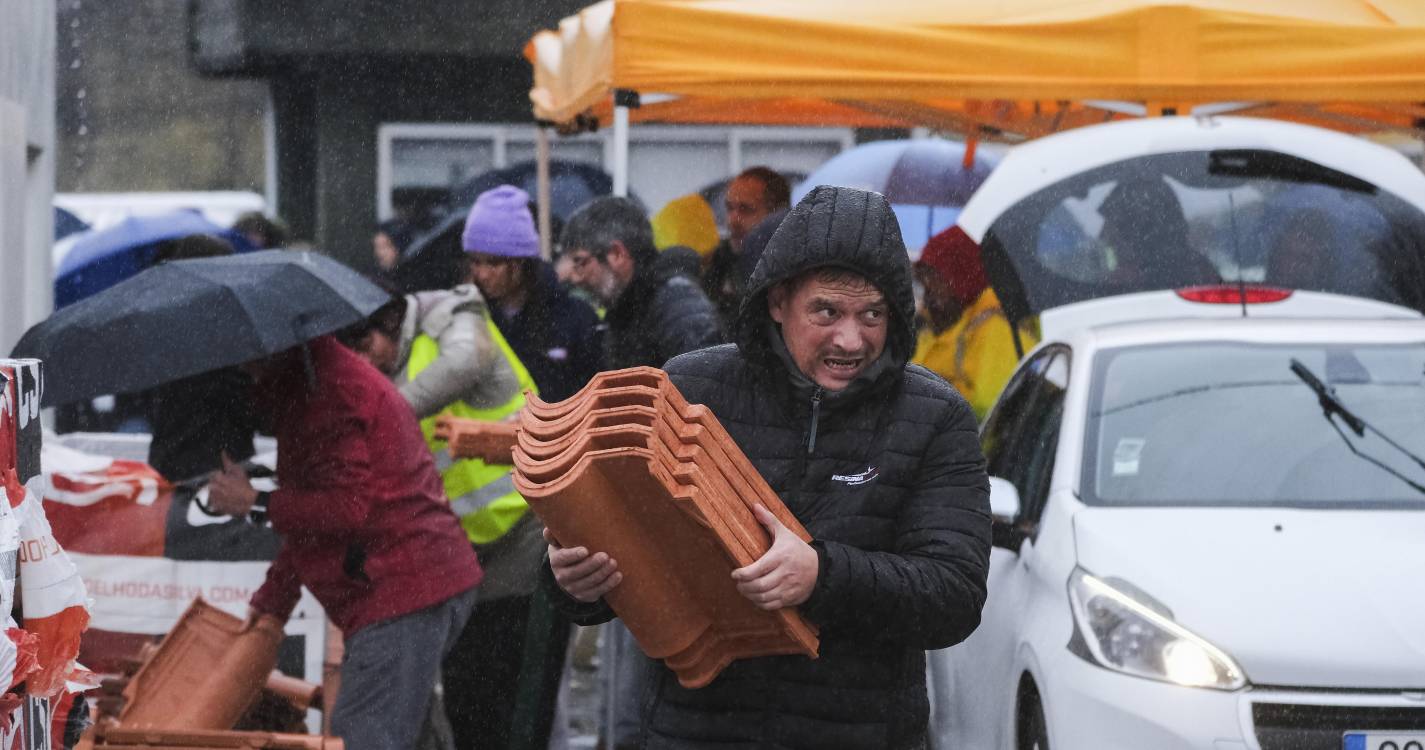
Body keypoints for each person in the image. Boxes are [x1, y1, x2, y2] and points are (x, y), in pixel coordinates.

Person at [544, 186, 992, 749]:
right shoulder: (692, 389)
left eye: (873, 314)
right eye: (826, 311)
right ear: (778, 302)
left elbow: (953, 596)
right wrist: (574, 583)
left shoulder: (933, 416)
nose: (851, 339)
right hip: (697, 732)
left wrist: (821, 576)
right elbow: (631, 538)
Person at [205, 335, 481, 750]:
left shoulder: (326, 392)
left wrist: (256, 501)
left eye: (247, 357)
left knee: (364, 733)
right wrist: (272, 601)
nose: (243, 368)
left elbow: (347, 508)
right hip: (412, 582)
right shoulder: (311, 383)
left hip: (400, 589)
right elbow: (319, 516)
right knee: (403, 734)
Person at [339, 276, 553, 750]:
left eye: (364, 346)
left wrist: (384, 410)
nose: (362, 362)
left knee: (514, 707)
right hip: (466, 558)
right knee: (468, 704)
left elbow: (465, 360)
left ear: (390, 323)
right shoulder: (385, 371)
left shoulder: (451, 318)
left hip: (523, 538)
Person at [559, 195, 723, 748]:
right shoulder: (634, 310)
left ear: (619, 255)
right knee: (630, 696)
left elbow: (705, 411)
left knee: (646, 696)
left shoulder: (677, 310)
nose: (569, 275)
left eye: (579, 261)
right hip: (646, 522)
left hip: (673, 527)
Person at [463, 185, 604, 403]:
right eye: (475, 261)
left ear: (521, 261)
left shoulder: (576, 319)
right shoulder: (469, 317)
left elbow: (599, 397)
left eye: (493, 263)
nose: (482, 273)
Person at [144, 234, 259, 482]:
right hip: (219, 475)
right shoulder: (230, 336)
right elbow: (248, 407)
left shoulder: (165, 329)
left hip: (169, 468)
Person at [562, 196, 722, 370]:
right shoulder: (627, 308)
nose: (576, 277)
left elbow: (704, 383)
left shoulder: (675, 305)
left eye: (580, 262)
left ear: (617, 254)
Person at [912, 225, 1037, 421]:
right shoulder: (943, 326)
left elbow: (990, 405)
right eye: (923, 282)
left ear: (960, 277)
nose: (928, 297)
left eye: (934, 281)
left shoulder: (998, 328)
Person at [703, 167, 792, 326]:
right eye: (729, 208)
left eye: (746, 209)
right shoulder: (717, 266)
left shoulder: (792, 273)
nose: (732, 220)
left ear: (776, 214)